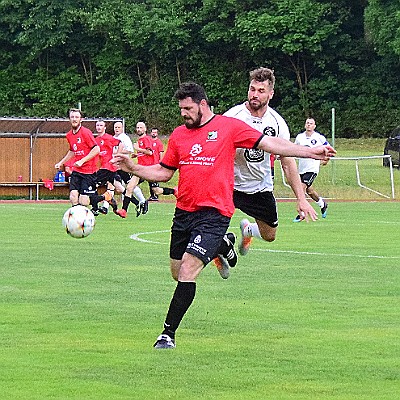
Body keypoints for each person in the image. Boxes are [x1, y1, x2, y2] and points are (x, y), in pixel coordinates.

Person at [111, 82, 336, 350]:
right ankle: (222, 245)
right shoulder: (180, 136)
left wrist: (310, 151)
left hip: (215, 212)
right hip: (184, 212)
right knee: (176, 272)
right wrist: (133, 166)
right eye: (181, 108)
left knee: (187, 270)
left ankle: (167, 334)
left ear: (202, 105)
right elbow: (164, 173)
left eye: (188, 108)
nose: (183, 113)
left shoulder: (229, 127)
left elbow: (272, 144)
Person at [224, 67, 317, 256]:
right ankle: (222, 248)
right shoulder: (232, 117)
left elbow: (288, 162)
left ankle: (248, 230)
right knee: (212, 227)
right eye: (252, 89)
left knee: (269, 235)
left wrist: (301, 199)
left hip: (259, 187)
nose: (255, 95)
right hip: (229, 186)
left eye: (261, 91)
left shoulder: (277, 123)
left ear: (271, 93)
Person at [55, 108, 107, 207]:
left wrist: (82, 161)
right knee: (73, 197)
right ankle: (77, 220)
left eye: (77, 117)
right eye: (72, 117)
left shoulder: (85, 132)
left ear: (81, 119)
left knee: (84, 202)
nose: (74, 119)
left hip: (89, 171)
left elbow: (96, 149)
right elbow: (72, 151)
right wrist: (61, 162)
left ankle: (106, 197)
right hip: (77, 171)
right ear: (69, 119)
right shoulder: (69, 135)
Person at [293, 117, 330, 222]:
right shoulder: (300, 137)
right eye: (307, 123)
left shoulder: (319, 138)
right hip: (302, 168)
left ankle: (302, 213)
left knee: (301, 188)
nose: (309, 125)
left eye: (311, 123)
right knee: (310, 191)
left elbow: (328, 148)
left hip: (312, 168)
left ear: (314, 126)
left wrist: (327, 158)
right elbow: (293, 149)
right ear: (305, 125)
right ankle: (322, 204)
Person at [113, 121, 147, 218]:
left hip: (123, 165)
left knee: (128, 185)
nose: (117, 129)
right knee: (120, 186)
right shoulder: (113, 138)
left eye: (119, 127)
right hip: (116, 164)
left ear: (122, 128)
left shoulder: (124, 138)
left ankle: (141, 201)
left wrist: (118, 151)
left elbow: (130, 150)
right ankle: (136, 203)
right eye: (115, 127)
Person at [91, 119, 120, 215]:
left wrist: (116, 156)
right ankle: (108, 205)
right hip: (101, 167)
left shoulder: (108, 137)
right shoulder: (96, 140)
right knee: (115, 187)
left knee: (94, 185)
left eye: (101, 125)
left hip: (108, 167)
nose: (99, 127)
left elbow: (120, 144)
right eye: (97, 125)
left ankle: (98, 206)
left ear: (105, 127)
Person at [148, 127, 165, 201]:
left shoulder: (159, 142)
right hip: (149, 164)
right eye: (152, 132)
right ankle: (152, 195)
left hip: (155, 164)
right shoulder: (148, 141)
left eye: (155, 132)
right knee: (150, 180)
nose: (154, 133)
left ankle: (156, 195)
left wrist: (160, 162)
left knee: (155, 179)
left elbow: (160, 153)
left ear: (157, 133)